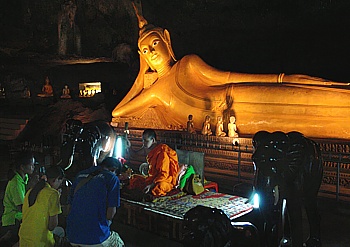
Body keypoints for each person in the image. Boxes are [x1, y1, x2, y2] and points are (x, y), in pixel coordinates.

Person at [111, 4, 350, 139]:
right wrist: (141, 75)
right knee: (297, 122)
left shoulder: (188, 63)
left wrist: (279, 79)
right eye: (145, 51)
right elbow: (118, 111)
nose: (151, 52)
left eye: (154, 44)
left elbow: (230, 77)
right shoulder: (157, 92)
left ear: (166, 40)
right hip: (230, 120)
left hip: (237, 94)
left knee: (309, 97)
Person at [66, 157, 124, 247]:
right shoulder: (112, 178)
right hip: (95, 238)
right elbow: (110, 215)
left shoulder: (80, 175)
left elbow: (68, 208)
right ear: (114, 170)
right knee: (118, 242)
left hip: (72, 236)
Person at [19, 166, 65, 247]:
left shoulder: (30, 191)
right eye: (60, 182)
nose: (59, 185)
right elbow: (52, 226)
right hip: (41, 242)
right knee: (61, 232)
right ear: (56, 179)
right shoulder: (53, 194)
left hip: (24, 240)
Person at [127, 129, 179, 197]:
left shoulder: (162, 152)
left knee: (159, 187)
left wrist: (151, 185)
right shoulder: (147, 147)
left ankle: (150, 190)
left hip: (163, 180)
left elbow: (163, 174)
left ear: (153, 140)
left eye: (146, 141)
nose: (143, 143)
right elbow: (134, 155)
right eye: (143, 140)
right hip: (152, 178)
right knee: (134, 178)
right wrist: (129, 147)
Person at [0, 151, 35, 246]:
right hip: (12, 221)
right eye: (31, 165)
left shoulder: (25, 178)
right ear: (22, 167)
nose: (33, 167)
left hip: (18, 217)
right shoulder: (16, 183)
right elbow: (22, 207)